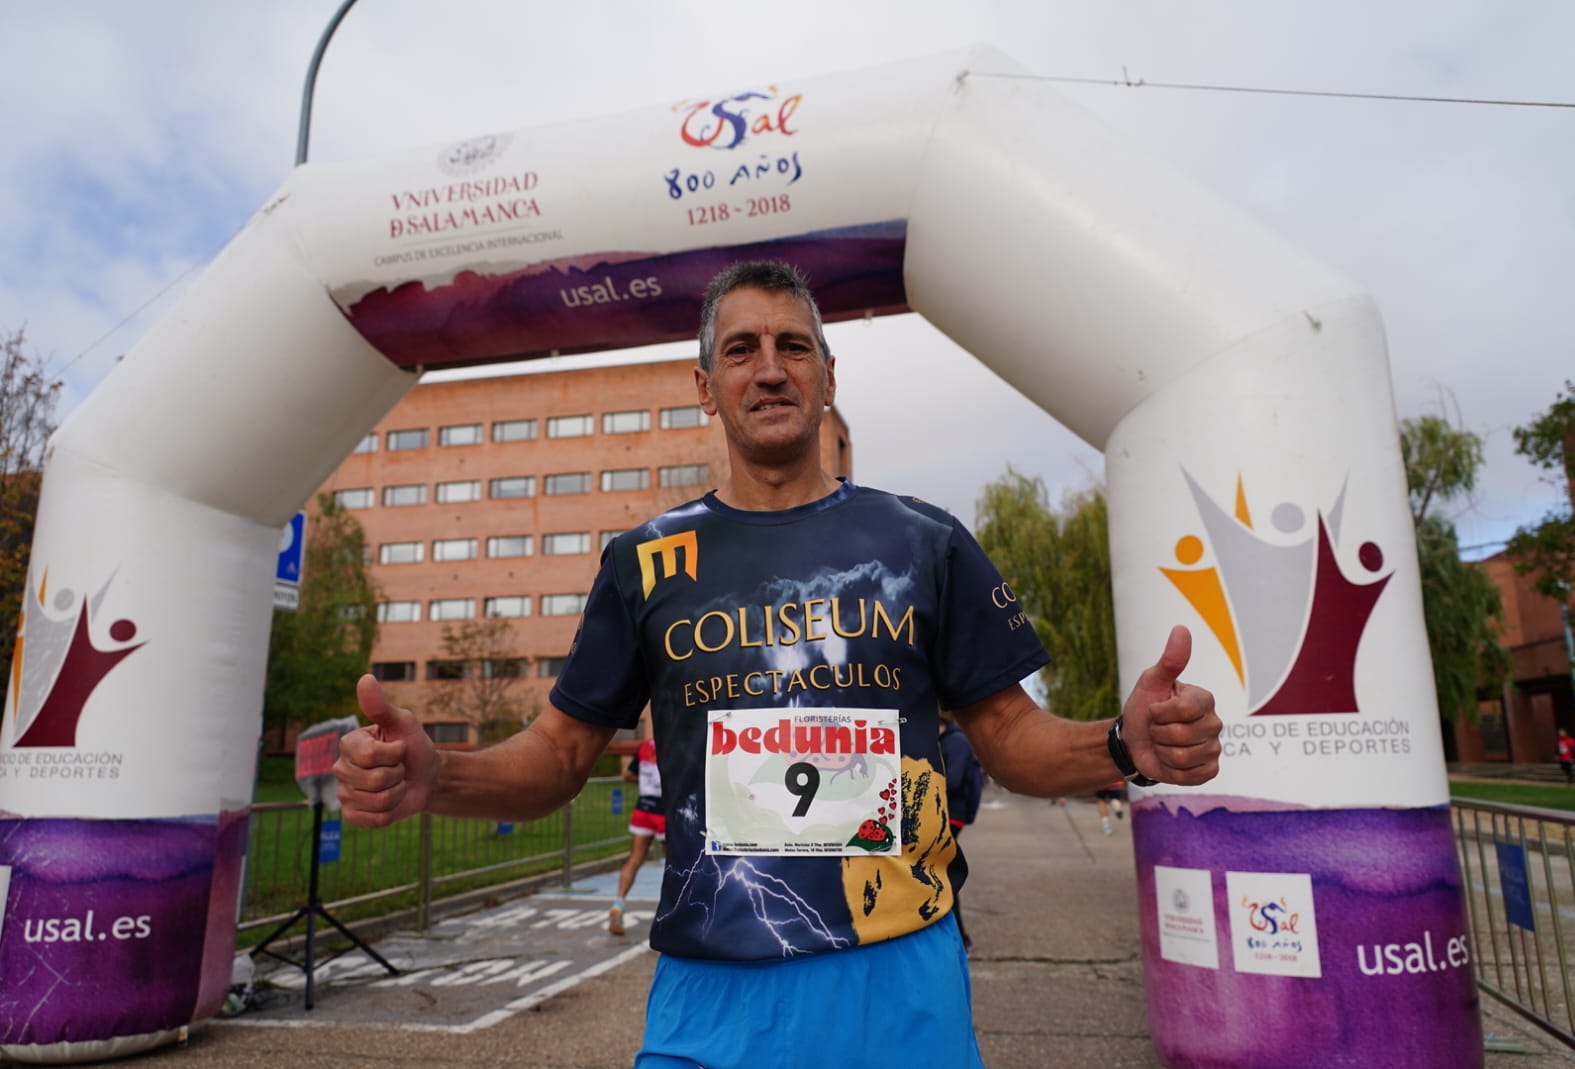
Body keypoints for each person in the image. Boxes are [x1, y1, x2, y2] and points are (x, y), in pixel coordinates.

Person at [335, 260, 1223, 1068]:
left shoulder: (924, 542)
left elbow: (1009, 735)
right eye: (742, 350)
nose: (769, 368)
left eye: (793, 346)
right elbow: (562, 753)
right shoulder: (645, 561)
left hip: (899, 973)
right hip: (713, 983)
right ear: (706, 386)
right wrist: (436, 774)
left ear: (828, 377)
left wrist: (1121, 741)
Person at [938, 714, 985, 950]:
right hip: (941, 813)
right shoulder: (943, 739)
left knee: (942, 873)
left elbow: (953, 780)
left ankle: (961, 938)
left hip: (951, 814)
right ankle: (958, 936)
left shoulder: (955, 741)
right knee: (941, 873)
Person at [610, 730, 663, 936]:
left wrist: (643, 783)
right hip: (664, 811)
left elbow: (628, 775)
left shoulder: (644, 747)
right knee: (675, 864)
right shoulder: (673, 742)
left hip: (643, 808)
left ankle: (618, 903)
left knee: (635, 859)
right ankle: (673, 913)